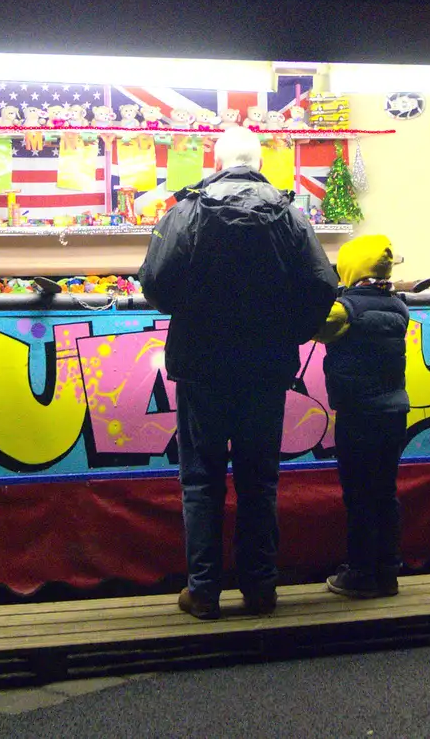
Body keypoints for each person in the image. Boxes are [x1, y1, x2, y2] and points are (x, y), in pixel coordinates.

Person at [138, 125, 338, 620]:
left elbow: (156, 284)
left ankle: (203, 591)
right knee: (259, 481)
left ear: (217, 159)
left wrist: (194, 313)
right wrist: (291, 332)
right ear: (259, 163)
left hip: (201, 367)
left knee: (201, 481)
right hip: (266, 369)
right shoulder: (291, 217)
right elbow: (321, 286)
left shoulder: (185, 213)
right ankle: (261, 587)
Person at [314, 233, 411, 598]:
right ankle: (388, 571)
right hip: (394, 412)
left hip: (357, 415)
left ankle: (360, 573)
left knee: (357, 496)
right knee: (384, 493)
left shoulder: (343, 311)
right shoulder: (399, 308)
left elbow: (314, 328)